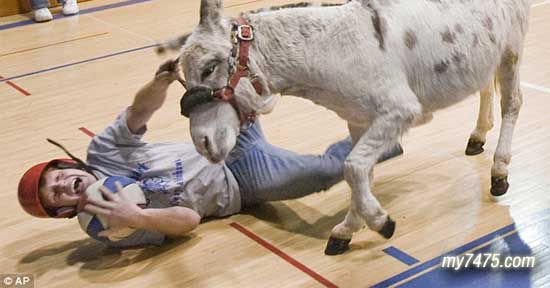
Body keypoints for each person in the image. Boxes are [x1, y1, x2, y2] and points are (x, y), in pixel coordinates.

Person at [18, 59, 403, 248]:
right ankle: (384, 138)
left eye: (57, 175)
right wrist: (136, 216)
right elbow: (187, 221)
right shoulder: (107, 230)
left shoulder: (102, 151)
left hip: (222, 142)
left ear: (68, 163)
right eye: (56, 194)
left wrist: (160, 83)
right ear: (62, 212)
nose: (65, 185)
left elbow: (141, 111)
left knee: (233, 74)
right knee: (322, 174)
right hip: (241, 181)